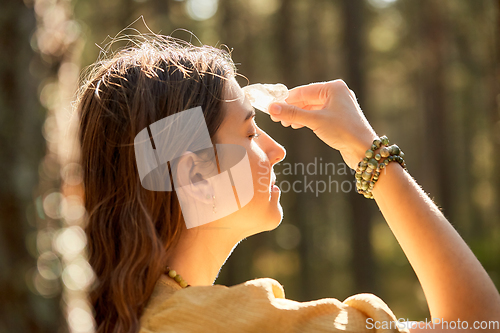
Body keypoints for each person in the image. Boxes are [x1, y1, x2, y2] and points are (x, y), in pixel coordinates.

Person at [76, 35, 500, 333]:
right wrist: (366, 150)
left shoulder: (101, 312)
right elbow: (478, 322)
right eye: (248, 133)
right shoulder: (235, 324)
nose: (277, 151)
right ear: (196, 177)